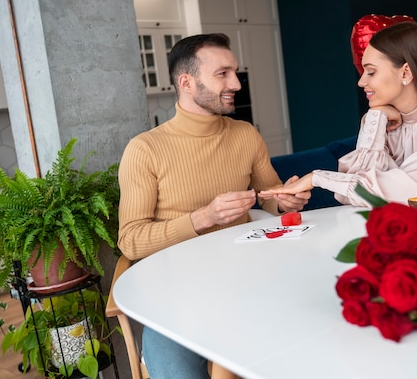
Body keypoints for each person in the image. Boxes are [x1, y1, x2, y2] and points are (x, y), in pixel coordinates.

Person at [117, 33, 310, 378]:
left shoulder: (245, 134)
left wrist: (286, 200)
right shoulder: (145, 149)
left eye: (234, 72)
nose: (236, 82)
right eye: (222, 74)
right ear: (186, 82)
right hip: (175, 296)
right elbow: (130, 240)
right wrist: (202, 218)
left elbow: (271, 196)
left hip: (249, 281)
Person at [259, 21, 417, 206]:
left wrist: (318, 178)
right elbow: (355, 196)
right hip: (397, 238)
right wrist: (376, 117)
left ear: (406, 71)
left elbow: (411, 196)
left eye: (371, 72)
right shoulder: (379, 121)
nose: (361, 81)